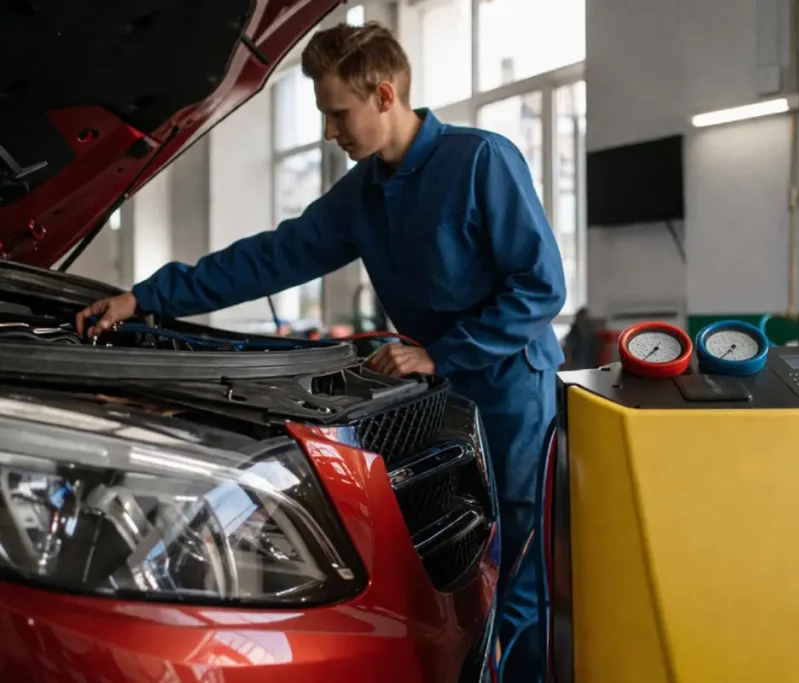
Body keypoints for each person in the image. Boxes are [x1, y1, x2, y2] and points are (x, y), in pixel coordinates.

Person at [75, 20, 565, 681]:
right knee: (452, 567)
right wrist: (144, 298)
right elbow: (268, 259)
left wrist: (442, 352)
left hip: (511, 395)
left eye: (338, 114)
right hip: (441, 402)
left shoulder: (481, 160)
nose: (330, 133)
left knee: (517, 575)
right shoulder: (364, 197)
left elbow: (541, 287)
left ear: (385, 96)